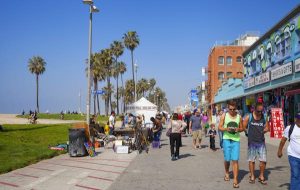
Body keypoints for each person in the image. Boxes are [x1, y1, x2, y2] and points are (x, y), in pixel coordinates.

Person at [218, 100, 244, 188]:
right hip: (226, 140)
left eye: (234, 109)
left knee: (235, 160)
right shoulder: (224, 115)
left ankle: (236, 180)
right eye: (230, 109)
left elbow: (242, 128)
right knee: (227, 159)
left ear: (236, 108)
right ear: (228, 108)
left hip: (236, 140)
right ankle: (227, 172)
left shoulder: (239, 117)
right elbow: (219, 127)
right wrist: (226, 129)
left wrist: (238, 130)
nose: (232, 111)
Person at [243, 103, 269, 185]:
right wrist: (247, 133)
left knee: (263, 160)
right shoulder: (249, 117)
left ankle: (261, 176)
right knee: (251, 160)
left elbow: (267, 127)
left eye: (261, 111)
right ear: (254, 109)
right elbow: (243, 126)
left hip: (261, 142)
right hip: (252, 142)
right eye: (258, 111)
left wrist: (264, 130)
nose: (260, 113)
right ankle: (252, 176)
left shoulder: (264, 117)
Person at [277, 112, 300, 190]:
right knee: (295, 175)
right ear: (295, 119)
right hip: (293, 156)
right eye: (299, 119)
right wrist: (279, 151)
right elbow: (283, 140)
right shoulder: (290, 128)